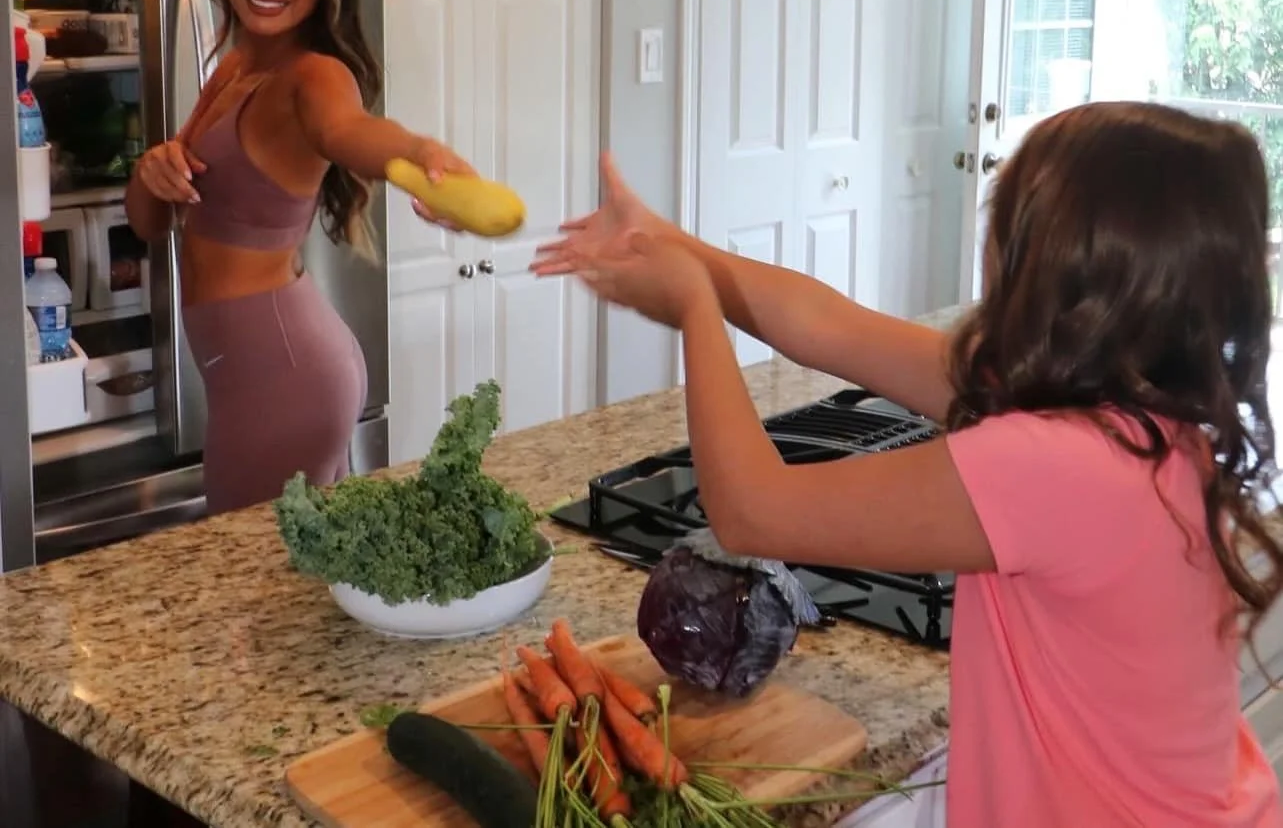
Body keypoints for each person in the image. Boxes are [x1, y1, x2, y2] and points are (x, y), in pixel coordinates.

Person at [532, 102, 1283, 827]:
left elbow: (752, 509)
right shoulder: (1138, 420)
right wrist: (670, 245)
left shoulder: (1061, 461)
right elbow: (831, 326)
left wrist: (694, 307)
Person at [126, 0, 472, 514]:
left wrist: (418, 157)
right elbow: (152, 224)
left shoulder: (314, 75)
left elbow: (349, 130)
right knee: (288, 584)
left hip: (281, 375)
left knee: (256, 581)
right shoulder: (232, 68)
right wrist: (151, 169)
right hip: (249, 371)